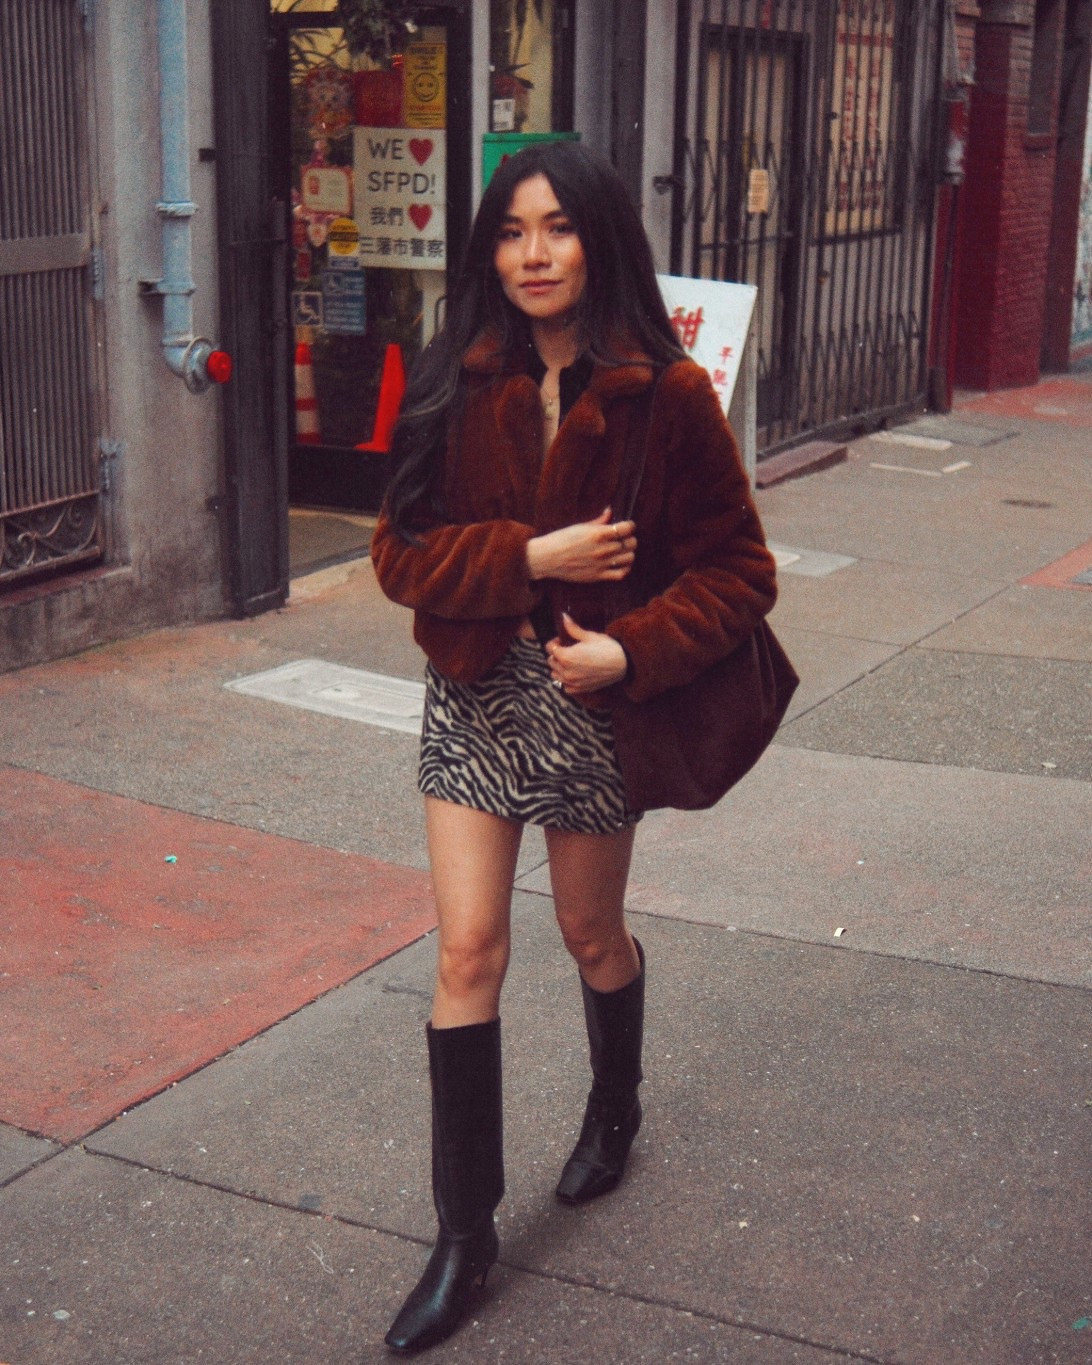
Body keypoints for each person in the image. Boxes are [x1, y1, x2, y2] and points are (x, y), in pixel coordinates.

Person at [371, 140, 777, 1355]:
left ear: (598, 239)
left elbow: (741, 572)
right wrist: (528, 559)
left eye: (555, 229)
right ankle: (465, 1239)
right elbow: (397, 556)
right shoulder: (459, 373)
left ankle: (615, 1105)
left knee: (589, 933)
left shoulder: (668, 392)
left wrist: (630, 653)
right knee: (467, 952)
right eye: (509, 231)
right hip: (475, 698)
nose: (532, 254)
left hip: (595, 708)